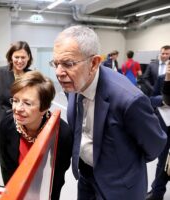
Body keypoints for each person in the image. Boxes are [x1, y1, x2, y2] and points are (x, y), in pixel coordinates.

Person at [51, 25, 167, 199]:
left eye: (68, 64)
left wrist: (123, 168)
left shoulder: (128, 100)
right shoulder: (74, 84)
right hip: (86, 177)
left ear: (94, 63)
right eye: (56, 63)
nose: (59, 72)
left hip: (119, 188)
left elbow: (155, 145)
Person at [0, 71, 72, 199]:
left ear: (44, 108)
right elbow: (7, 169)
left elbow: (57, 178)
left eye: (27, 103)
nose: (17, 108)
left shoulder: (62, 134)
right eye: (15, 100)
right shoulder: (6, 125)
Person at [0, 41, 32, 183]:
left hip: (26, 125)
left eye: (23, 57)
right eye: (16, 57)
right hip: (2, 125)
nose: (20, 61)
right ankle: (10, 190)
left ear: (28, 58)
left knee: (24, 160)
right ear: (10, 57)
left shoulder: (32, 76)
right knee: (6, 163)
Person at [147, 62, 170, 200]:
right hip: (165, 127)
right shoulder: (162, 78)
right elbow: (151, 99)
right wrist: (163, 101)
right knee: (162, 161)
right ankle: (157, 192)